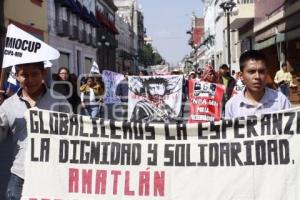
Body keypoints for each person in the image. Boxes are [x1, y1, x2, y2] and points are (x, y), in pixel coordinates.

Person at [0, 62, 71, 200]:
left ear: (43, 73)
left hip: (53, 176)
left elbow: (73, 136)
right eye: (24, 75)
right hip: (20, 177)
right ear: (16, 76)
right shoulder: (7, 105)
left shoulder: (60, 101)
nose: (30, 80)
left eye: (34, 74)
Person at [225, 50, 291, 118]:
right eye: (251, 72)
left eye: (261, 71)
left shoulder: (281, 101)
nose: (257, 77)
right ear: (241, 76)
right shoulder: (232, 106)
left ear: (266, 73)